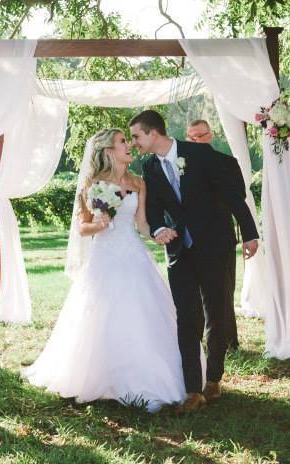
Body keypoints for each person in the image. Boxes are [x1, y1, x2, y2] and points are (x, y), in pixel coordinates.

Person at [23, 128, 186, 411]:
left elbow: (143, 224)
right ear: (109, 151)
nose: (130, 146)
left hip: (134, 255)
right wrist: (100, 224)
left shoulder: (138, 182)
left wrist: (158, 234)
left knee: (142, 313)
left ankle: (149, 377)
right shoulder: (92, 184)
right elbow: (82, 227)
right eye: (124, 142)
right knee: (102, 316)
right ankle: (101, 376)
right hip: (104, 259)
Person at [130, 110, 259, 413]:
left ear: (153, 133)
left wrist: (250, 234)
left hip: (216, 246)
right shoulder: (149, 166)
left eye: (136, 136)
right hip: (179, 253)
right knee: (187, 319)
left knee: (218, 312)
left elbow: (232, 197)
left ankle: (213, 380)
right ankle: (193, 389)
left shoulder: (200, 154)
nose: (134, 142)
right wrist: (160, 228)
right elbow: (155, 210)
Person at [186, 118, 244, 351]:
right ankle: (199, 342)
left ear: (210, 136)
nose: (196, 140)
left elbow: (237, 197)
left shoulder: (228, 163)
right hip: (190, 238)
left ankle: (229, 341)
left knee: (223, 291)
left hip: (221, 236)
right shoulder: (181, 165)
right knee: (195, 295)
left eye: (200, 135)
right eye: (191, 137)